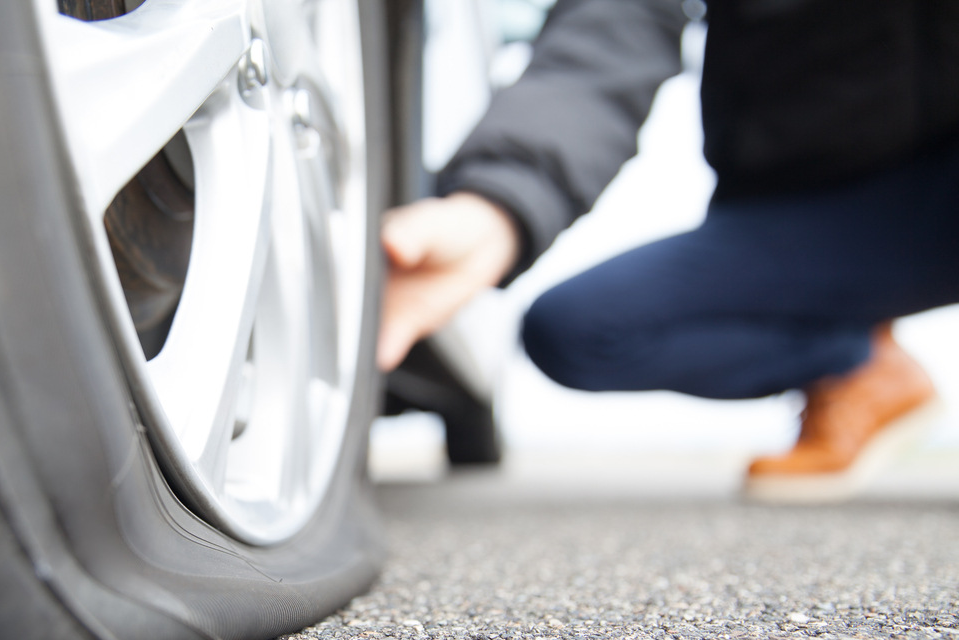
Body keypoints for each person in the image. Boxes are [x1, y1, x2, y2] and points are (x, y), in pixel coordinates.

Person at [380, 0, 959, 501]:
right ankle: (859, 368)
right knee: (575, 330)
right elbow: (611, 30)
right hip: (796, 213)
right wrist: (500, 203)